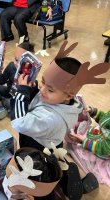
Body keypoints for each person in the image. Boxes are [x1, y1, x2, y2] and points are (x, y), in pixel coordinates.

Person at [10, 41, 110, 199]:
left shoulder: (50, 119)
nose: (43, 90)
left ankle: (54, 191)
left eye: (49, 89)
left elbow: (19, 122)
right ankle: (67, 177)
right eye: (43, 82)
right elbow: (42, 99)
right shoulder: (66, 100)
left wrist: (22, 92)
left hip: (38, 148)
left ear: (69, 95)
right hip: (51, 142)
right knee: (56, 161)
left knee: (43, 176)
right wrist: (34, 88)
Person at [0, 42, 35, 120]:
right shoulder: (11, 66)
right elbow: (1, 82)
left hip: (15, 99)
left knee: (11, 103)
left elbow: (26, 98)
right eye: (16, 59)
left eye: (20, 62)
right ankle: (0, 106)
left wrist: (30, 86)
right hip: (8, 90)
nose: (16, 63)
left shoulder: (30, 75)